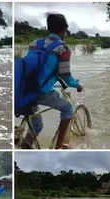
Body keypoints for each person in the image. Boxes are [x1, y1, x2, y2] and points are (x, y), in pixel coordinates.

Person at [21, 13, 83, 149]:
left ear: (48, 28)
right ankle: (59, 147)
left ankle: (26, 143)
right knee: (68, 109)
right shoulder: (63, 48)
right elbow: (66, 75)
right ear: (64, 29)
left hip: (24, 89)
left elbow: (31, 68)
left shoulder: (34, 43)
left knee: (37, 125)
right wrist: (77, 84)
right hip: (40, 92)